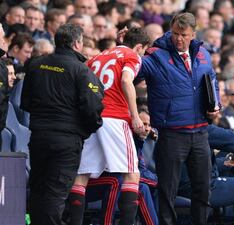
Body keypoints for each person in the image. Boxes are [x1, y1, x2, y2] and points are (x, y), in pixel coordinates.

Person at [138, 12, 219, 225]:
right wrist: (127, 49)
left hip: (201, 131)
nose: (178, 38)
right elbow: (133, 72)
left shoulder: (203, 53)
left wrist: (215, 105)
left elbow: (211, 79)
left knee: (203, 188)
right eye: (175, 33)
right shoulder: (155, 55)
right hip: (172, 133)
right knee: (167, 191)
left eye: (183, 34)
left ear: (193, 34)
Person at [21, 23, 104, 225]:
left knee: (39, 189)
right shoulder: (81, 71)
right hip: (66, 141)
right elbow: (94, 108)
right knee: (55, 193)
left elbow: (26, 103)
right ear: (76, 43)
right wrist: (86, 130)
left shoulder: (35, 64)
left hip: (39, 136)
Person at [67, 27, 150, 225]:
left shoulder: (98, 56)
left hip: (91, 119)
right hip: (115, 118)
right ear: (139, 47)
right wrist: (135, 116)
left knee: (81, 176)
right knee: (132, 173)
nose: (143, 56)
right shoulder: (132, 55)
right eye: (143, 51)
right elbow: (126, 80)